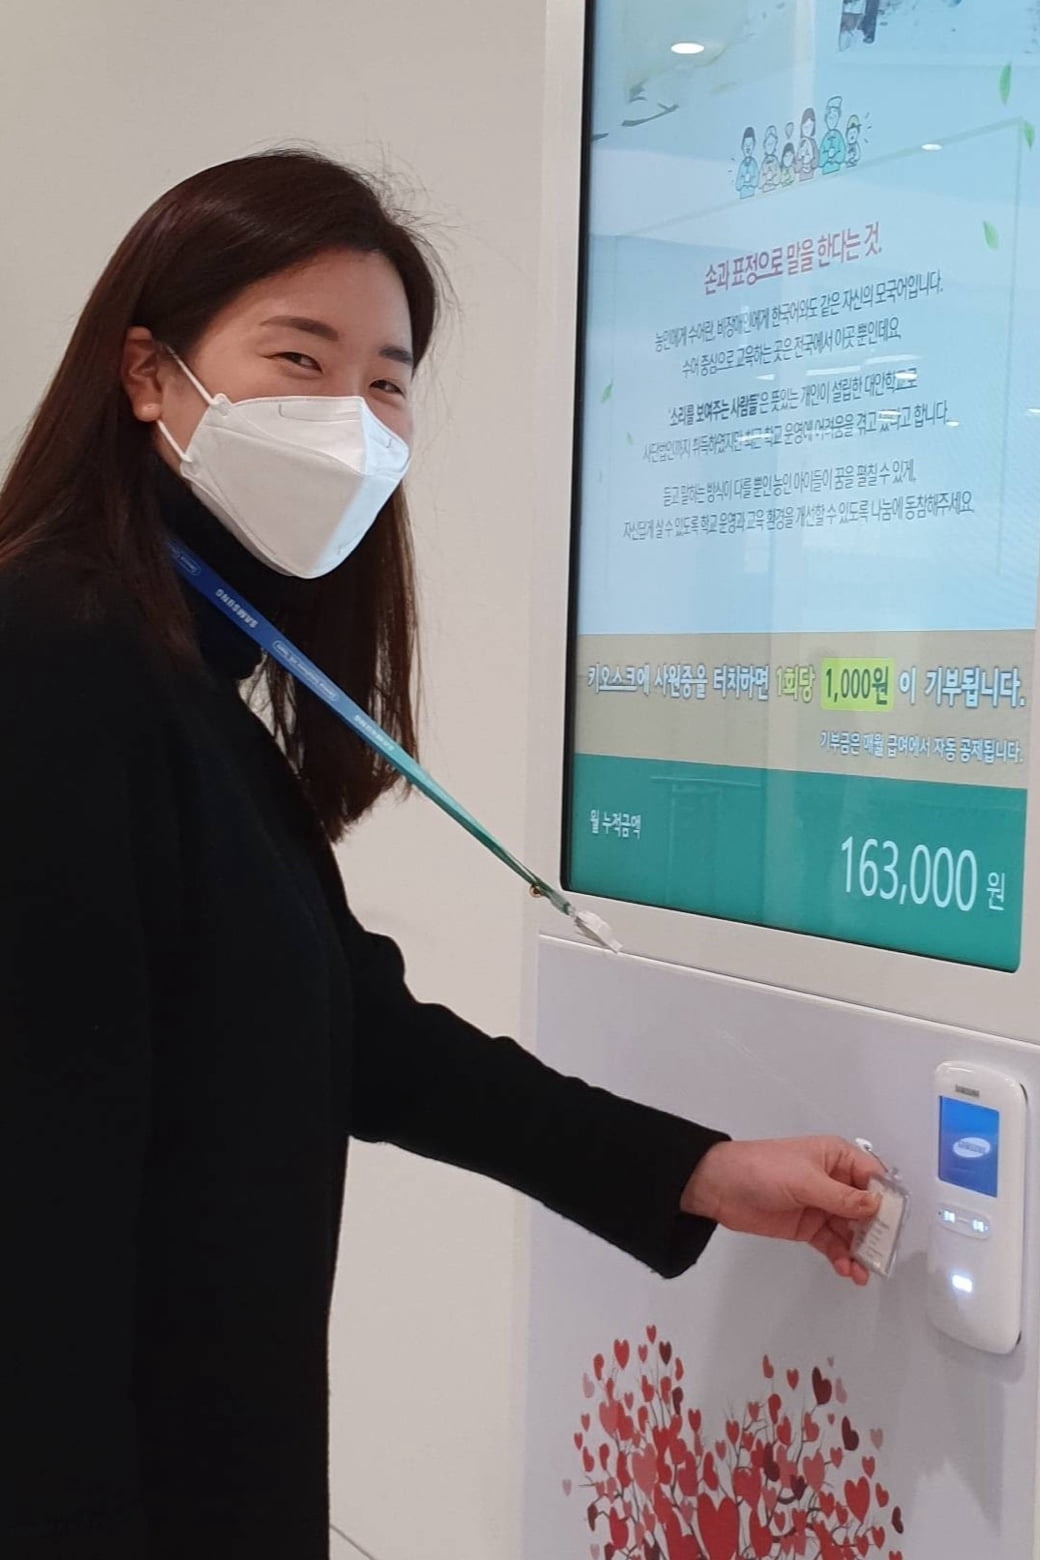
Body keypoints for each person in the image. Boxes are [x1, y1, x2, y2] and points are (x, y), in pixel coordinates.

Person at [0, 150, 882, 1560]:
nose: (350, 416)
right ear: (149, 374)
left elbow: (358, 1035)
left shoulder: (180, 678)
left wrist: (699, 1169)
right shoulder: (53, 660)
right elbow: (35, 1223)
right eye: (300, 356)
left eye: (388, 379)